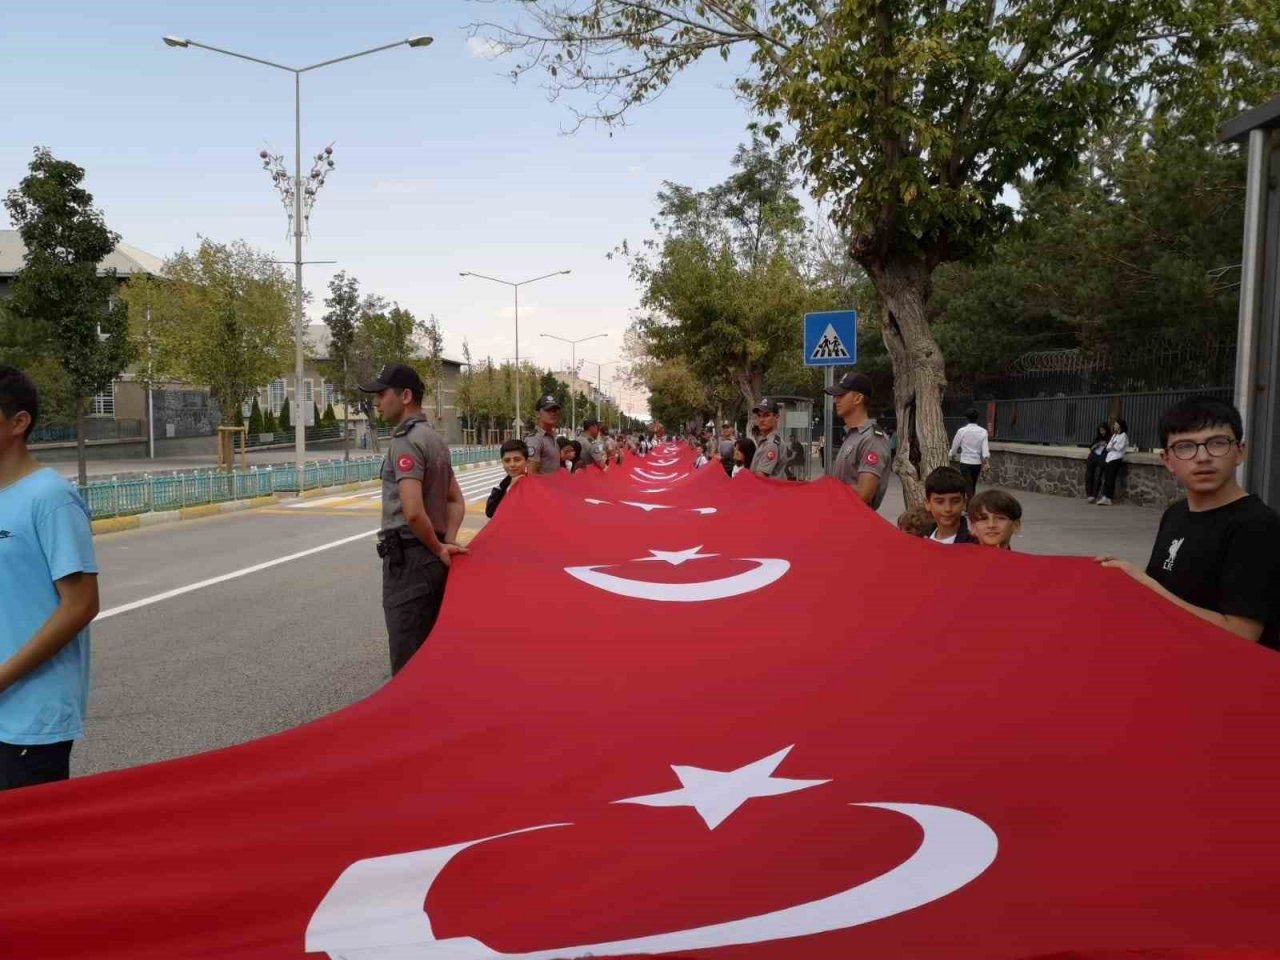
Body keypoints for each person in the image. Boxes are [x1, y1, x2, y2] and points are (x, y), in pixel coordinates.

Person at [1101, 396, 1280, 649]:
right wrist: (1129, 576)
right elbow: (1167, 593)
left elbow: (1240, 636)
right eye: (1185, 447)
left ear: (1240, 452)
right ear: (1167, 460)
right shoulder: (1175, 514)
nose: (1203, 457)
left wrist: (1145, 584)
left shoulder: (1257, 526)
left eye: (1218, 443)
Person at [0, 366, 99, 791]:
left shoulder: (51, 497)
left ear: (19, 423)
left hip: (30, 717)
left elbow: (81, 604)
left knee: (28, 852)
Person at [359, 363, 467, 676]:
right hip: (432, 563)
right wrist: (446, 543)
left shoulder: (405, 441)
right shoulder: (435, 440)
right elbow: (455, 500)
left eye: (382, 394)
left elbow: (414, 511)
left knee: (408, 664)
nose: (378, 402)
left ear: (405, 396)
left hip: (409, 562)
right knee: (431, 659)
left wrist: (436, 548)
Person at [824, 372, 893, 509]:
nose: (836, 400)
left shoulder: (872, 438)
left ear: (858, 399)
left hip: (856, 521)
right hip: (842, 515)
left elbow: (864, 494)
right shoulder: (853, 435)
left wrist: (829, 488)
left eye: (841, 395)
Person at [921, 466, 976, 544]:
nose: (948, 509)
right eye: (939, 502)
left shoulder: (975, 543)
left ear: (964, 503)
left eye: (955, 501)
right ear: (927, 503)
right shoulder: (920, 538)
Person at [949, 408, 990, 499]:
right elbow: (985, 448)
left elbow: (955, 444)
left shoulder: (962, 431)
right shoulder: (983, 431)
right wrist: (986, 461)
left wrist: (952, 454)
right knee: (973, 484)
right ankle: (969, 506)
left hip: (965, 462)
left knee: (967, 484)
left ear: (966, 418)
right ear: (977, 418)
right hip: (977, 463)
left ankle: (971, 505)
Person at [486, 439, 529, 518]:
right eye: (507, 460)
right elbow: (490, 512)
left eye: (517, 460)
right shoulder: (502, 486)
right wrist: (509, 489)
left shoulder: (535, 486)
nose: (512, 464)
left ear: (527, 461)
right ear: (502, 462)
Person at [749, 399, 789, 478]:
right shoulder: (769, 440)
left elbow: (760, 477)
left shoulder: (770, 444)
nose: (761, 420)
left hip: (766, 489)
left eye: (766, 415)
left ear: (776, 417)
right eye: (759, 416)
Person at [524, 396, 563, 475]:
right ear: (537, 414)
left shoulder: (552, 436)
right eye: (548, 410)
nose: (553, 413)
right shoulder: (535, 439)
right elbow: (532, 474)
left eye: (555, 410)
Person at [1097, 417, 1129, 505]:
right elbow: (1108, 447)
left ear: (1120, 426)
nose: (1114, 426)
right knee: (1106, 478)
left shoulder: (1124, 436)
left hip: (1116, 459)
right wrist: (1112, 446)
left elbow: (1118, 447)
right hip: (1109, 458)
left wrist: (1112, 446)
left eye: (1115, 424)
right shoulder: (1114, 435)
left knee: (1111, 478)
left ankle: (1108, 498)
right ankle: (1104, 496)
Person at [1084, 423, 1112, 503]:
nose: (1102, 432)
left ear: (1106, 430)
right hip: (1092, 458)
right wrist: (1098, 444)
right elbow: (1091, 447)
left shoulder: (1110, 439)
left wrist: (1106, 445)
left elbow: (1111, 449)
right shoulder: (1097, 438)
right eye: (1100, 430)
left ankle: (1094, 495)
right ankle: (1089, 494)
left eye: (1103, 430)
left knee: (1097, 476)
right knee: (1088, 476)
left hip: (1101, 459)